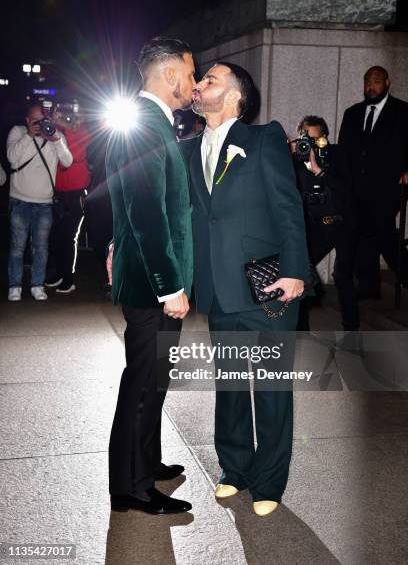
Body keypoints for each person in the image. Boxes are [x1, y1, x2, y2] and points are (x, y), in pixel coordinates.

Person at [182, 62, 309, 517]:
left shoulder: (263, 139)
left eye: (209, 80)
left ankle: (270, 480)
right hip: (218, 290)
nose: (198, 86)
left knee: (272, 389)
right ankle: (234, 469)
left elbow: (288, 207)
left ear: (236, 96)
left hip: (269, 285)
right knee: (231, 386)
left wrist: (296, 271)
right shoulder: (186, 149)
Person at [105, 38, 195, 515]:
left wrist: (114, 243)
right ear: (171, 75)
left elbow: (123, 202)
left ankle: (148, 461)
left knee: (154, 379)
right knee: (141, 383)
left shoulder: (150, 122)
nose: (194, 82)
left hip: (149, 273)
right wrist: (171, 286)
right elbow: (147, 213)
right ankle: (131, 487)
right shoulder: (144, 125)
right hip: (152, 283)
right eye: (191, 71)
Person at [337, 66, 408, 299]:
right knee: (366, 233)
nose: (371, 86)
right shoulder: (353, 113)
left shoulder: (403, 112)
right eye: (367, 81)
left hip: (387, 187)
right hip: (356, 188)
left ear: (387, 83)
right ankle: (369, 287)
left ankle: (403, 274)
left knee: (383, 231)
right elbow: (345, 150)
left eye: (376, 81)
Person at [290, 115, 360, 331]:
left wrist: (319, 170)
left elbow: (346, 191)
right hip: (317, 225)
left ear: (325, 138)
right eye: (305, 139)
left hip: (342, 222)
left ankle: (351, 329)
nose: (309, 145)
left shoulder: (337, 155)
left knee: (342, 275)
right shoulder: (295, 157)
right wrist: (286, 153)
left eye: (315, 140)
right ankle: (301, 330)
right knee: (300, 271)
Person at [6, 102, 73, 302]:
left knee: (41, 247)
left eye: (44, 121)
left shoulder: (54, 135)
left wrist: (56, 140)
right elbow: (12, 158)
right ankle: (14, 285)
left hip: (44, 202)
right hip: (19, 200)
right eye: (36, 121)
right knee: (17, 247)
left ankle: (37, 284)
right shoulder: (18, 132)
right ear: (27, 120)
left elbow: (68, 161)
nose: (41, 125)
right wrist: (29, 136)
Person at [45, 108, 92, 293]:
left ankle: (68, 278)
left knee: (69, 237)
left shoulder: (82, 132)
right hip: (59, 193)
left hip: (76, 193)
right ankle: (58, 273)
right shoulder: (56, 131)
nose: (67, 118)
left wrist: (67, 127)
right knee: (56, 236)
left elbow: (77, 156)